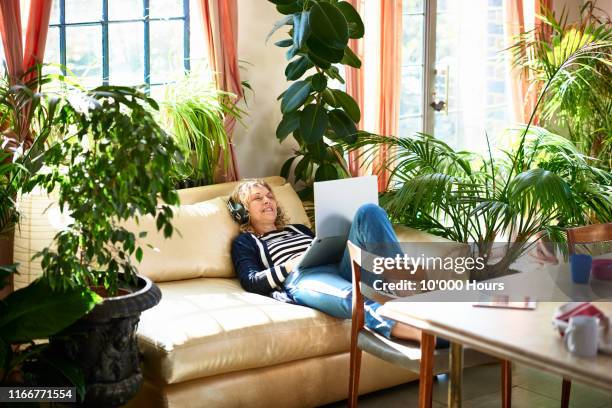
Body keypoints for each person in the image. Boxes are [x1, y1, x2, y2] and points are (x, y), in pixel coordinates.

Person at [229, 178, 442, 344]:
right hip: (304, 277)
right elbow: (251, 280)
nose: (267, 200)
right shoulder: (246, 242)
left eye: (269, 196)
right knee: (355, 297)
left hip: (338, 265)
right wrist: (289, 265)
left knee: (369, 211)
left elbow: (324, 246)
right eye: (258, 198)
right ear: (242, 211)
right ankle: (423, 334)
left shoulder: (299, 229)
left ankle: (408, 292)